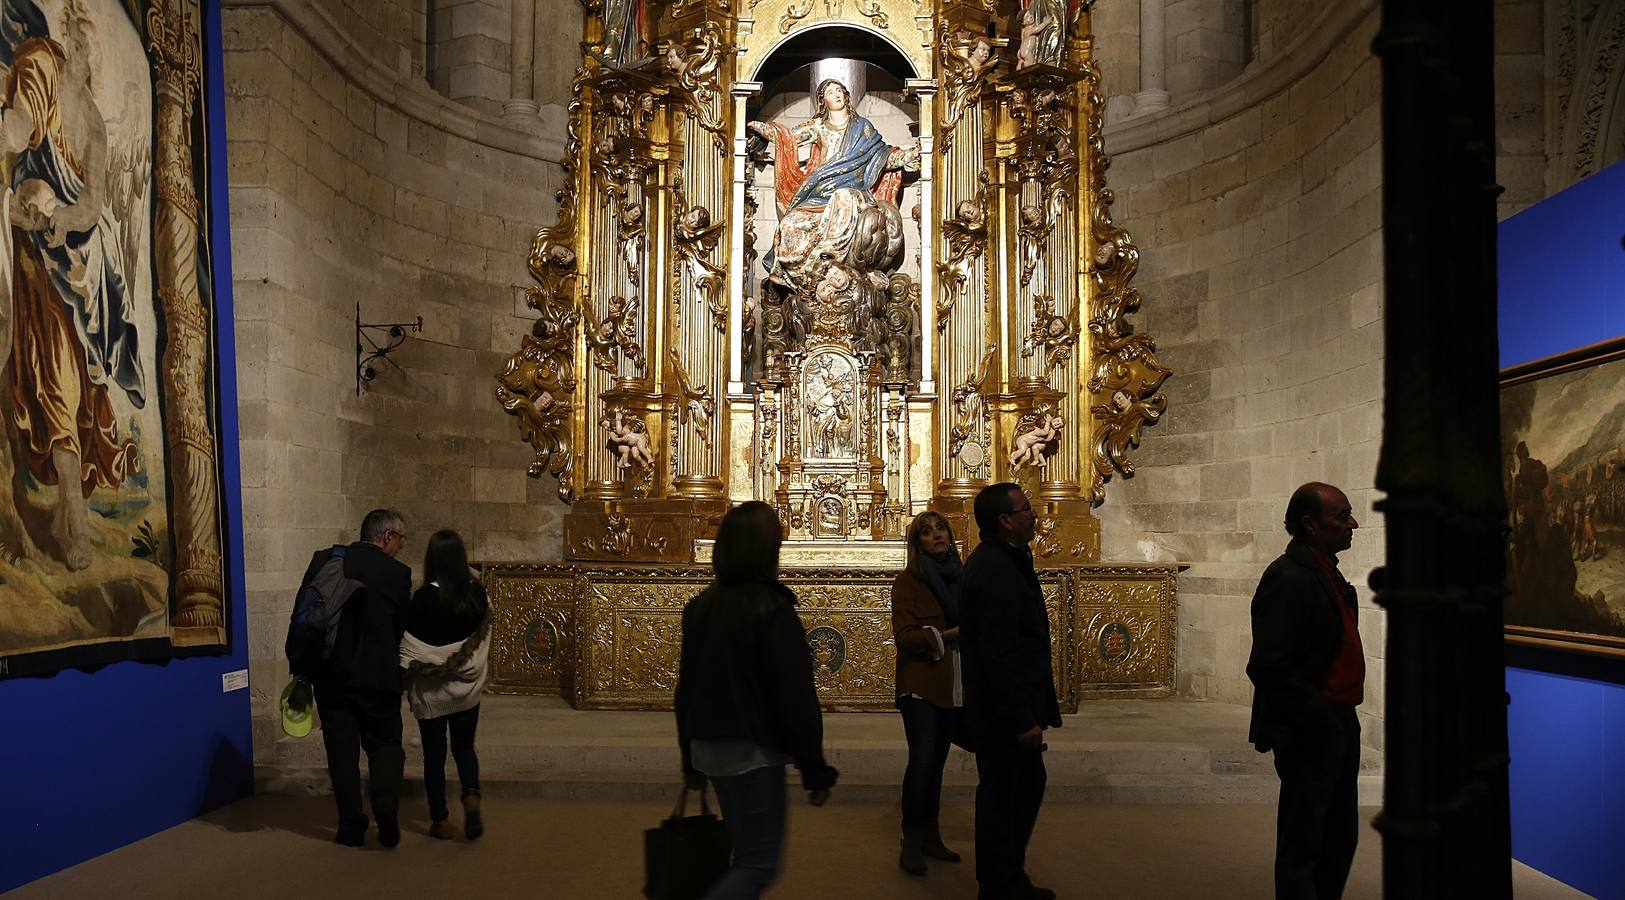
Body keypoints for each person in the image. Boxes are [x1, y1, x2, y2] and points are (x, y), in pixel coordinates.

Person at [675, 501, 838, 899]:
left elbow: (686, 690)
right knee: (757, 864)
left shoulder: (702, 605)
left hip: (709, 747)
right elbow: (794, 698)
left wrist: (688, 756)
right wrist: (814, 769)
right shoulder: (773, 609)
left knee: (744, 854)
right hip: (751, 753)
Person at [1246, 482, 1364, 899]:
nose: (1352, 523)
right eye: (1342, 516)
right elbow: (1267, 665)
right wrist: (1319, 718)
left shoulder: (1325, 569)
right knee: (1306, 840)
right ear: (1310, 525)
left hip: (1337, 721)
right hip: (1311, 727)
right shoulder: (1289, 576)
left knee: (1338, 836)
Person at [960, 483, 1061, 900]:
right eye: (1026, 509)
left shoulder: (1008, 560)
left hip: (1008, 708)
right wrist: (1022, 719)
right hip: (1003, 714)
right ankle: (1000, 884)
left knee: (1021, 788)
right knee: (1005, 795)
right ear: (1004, 520)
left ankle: (1007, 878)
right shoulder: (994, 569)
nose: (1034, 514)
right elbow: (998, 654)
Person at [747, 79, 919, 293]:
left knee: (843, 197)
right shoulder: (818, 127)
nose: (836, 94)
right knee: (789, 224)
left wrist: (911, 155)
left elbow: (883, 157)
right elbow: (787, 137)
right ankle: (807, 279)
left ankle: (831, 260)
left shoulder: (862, 128)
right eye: (830, 92)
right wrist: (761, 129)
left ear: (846, 96)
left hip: (854, 193)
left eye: (839, 91)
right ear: (823, 101)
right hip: (820, 192)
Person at [305, 508, 412, 848]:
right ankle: (385, 804)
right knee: (385, 745)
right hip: (379, 677)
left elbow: (310, 616)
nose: (401, 546)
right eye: (401, 539)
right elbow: (402, 628)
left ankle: (350, 827)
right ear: (386, 537)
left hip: (331, 677)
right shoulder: (397, 573)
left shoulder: (325, 560)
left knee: (342, 754)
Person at [400, 530, 490, 841]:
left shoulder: (424, 598)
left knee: (434, 755)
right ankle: (471, 794)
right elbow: (478, 644)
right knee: (464, 748)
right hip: (467, 693)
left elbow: (410, 649)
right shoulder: (477, 595)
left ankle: (439, 818)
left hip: (432, 694)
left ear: (432, 559)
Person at [891, 511, 965, 876]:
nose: (936, 535)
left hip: (952, 682)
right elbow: (904, 637)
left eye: (940, 529)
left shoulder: (961, 578)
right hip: (920, 683)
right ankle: (912, 838)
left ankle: (932, 835)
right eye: (926, 532)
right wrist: (948, 636)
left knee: (936, 763)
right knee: (921, 760)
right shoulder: (909, 581)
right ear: (916, 543)